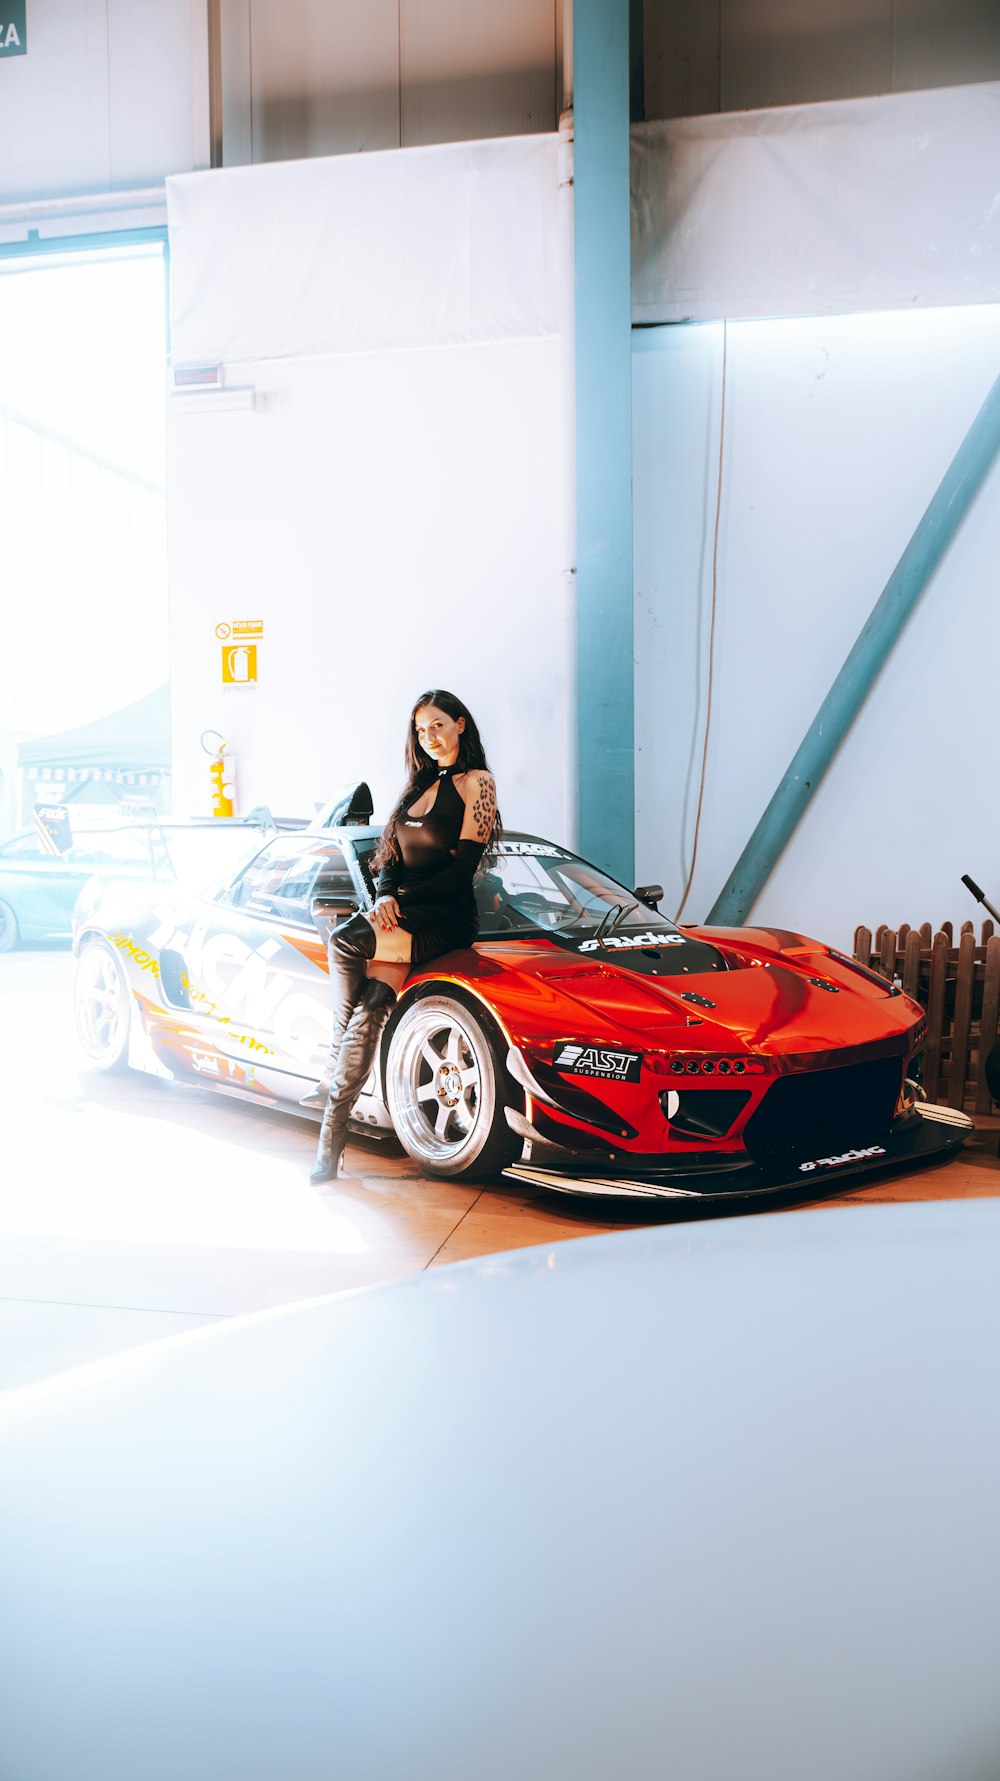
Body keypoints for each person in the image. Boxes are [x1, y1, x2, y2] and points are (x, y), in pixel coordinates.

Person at [306, 690, 501, 1185]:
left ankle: (331, 1072)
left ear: (460, 724)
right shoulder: (415, 786)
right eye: (420, 730)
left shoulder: (478, 784)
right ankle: (330, 1147)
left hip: (443, 918)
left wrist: (400, 904)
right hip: (402, 915)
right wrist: (384, 898)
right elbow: (388, 857)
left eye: (437, 725)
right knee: (369, 1009)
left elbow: (462, 873)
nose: (429, 736)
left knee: (347, 939)